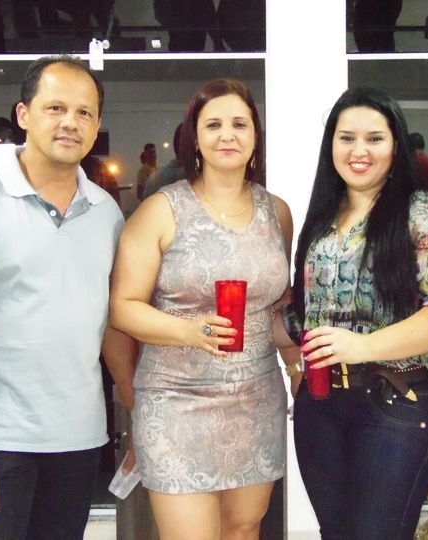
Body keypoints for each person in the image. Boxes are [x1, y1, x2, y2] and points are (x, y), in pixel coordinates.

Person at [0, 55, 130, 538]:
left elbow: (109, 326)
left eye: (84, 112)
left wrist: (136, 411)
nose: (70, 122)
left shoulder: (105, 212)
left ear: (96, 125)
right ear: (23, 114)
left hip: (78, 440)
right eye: (56, 108)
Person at [276, 87, 428, 539]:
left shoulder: (425, 212)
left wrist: (362, 346)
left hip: (397, 405)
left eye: (374, 138)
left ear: (396, 145)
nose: (359, 151)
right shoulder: (323, 218)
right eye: (346, 138)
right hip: (320, 406)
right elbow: (303, 318)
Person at [108, 78, 292, 539]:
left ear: (255, 136)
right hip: (176, 399)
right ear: (194, 137)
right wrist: (190, 331)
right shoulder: (161, 209)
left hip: (256, 397)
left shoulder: (277, 212)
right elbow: (123, 309)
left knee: (244, 528)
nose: (227, 135)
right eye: (213, 125)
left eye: (239, 124)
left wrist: (296, 364)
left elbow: (277, 305)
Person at [143, 123, 185, 198]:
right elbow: (140, 193)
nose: (154, 155)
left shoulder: (157, 173)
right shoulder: (145, 172)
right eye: (151, 153)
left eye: (154, 152)